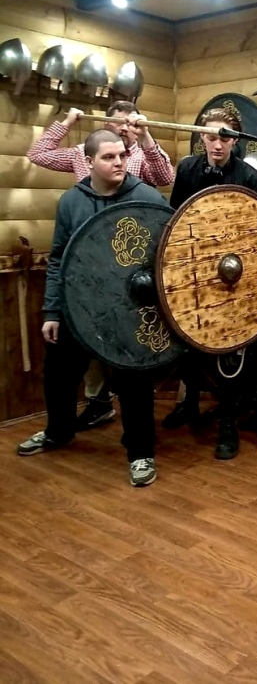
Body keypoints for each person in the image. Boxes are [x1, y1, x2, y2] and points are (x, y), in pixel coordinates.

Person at [17, 129, 171, 488]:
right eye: (108, 157)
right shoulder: (72, 201)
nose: (119, 162)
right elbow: (59, 260)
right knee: (59, 372)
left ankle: (140, 451)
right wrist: (52, 312)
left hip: (130, 309)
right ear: (88, 162)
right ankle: (58, 431)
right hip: (80, 305)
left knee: (134, 382)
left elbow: (168, 256)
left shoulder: (147, 197)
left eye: (121, 155)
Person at [162, 107, 257, 461]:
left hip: (232, 277)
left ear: (235, 141)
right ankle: (189, 404)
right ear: (202, 138)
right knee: (188, 347)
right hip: (193, 273)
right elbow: (176, 219)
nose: (217, 144)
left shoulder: (249, 178)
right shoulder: (187, 170)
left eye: (225, 137)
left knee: (228, 354)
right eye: (210, 136)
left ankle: (227, 423)